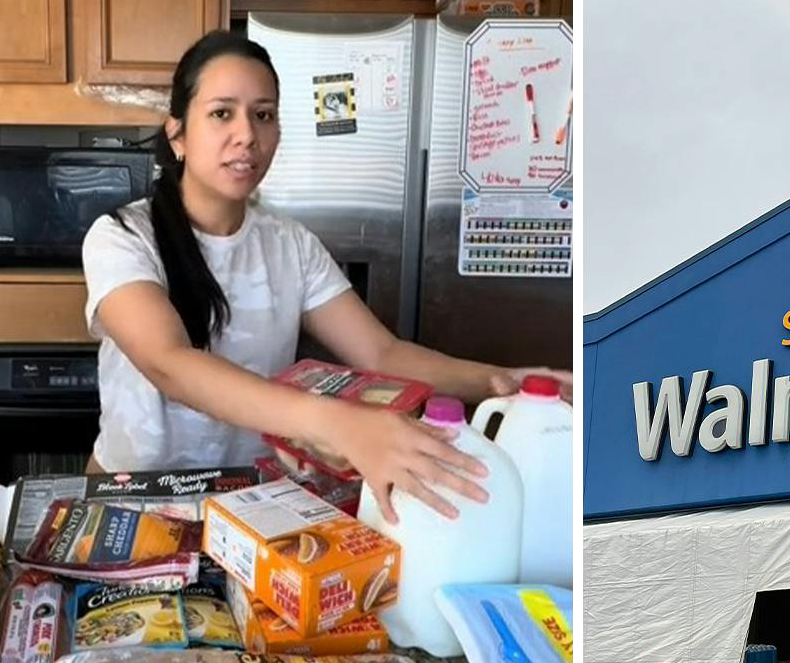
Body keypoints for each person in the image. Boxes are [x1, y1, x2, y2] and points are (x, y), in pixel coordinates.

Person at [84, 31, 572, 522]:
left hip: (248, 507)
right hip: (133, 503)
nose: (247, 135)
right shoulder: (123, 237)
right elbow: (170, 363)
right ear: (178, 134)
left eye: (263, 115)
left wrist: (505, 381)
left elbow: (382, 354)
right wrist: (342, 425)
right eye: (221, 113)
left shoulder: (290, 244)